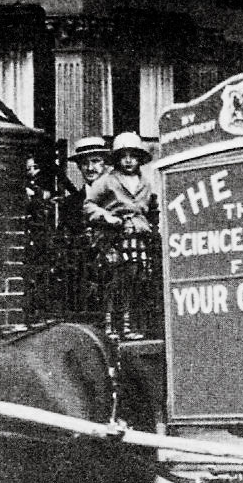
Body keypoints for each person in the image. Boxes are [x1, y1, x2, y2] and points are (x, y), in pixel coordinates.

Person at [84, 132, 156, 340]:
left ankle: (128, 325)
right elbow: (89, 205)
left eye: (133, 156)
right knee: (115, 280)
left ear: (140, 158)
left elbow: (151, 209)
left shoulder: (146, 183)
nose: (128, 160)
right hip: (113, 237)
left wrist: (149, 226)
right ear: (116, 158)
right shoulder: (107, 181)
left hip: (138, 236)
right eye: (123, 156)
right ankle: (109, 325)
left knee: (136, 279)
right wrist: (107, 217)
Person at [60, 135, 110, 234]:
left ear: (105, 163)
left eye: (95, 161)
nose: (90, 168)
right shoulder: (70, 203)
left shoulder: (118, 196)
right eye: (84, 163)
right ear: (79, 166)